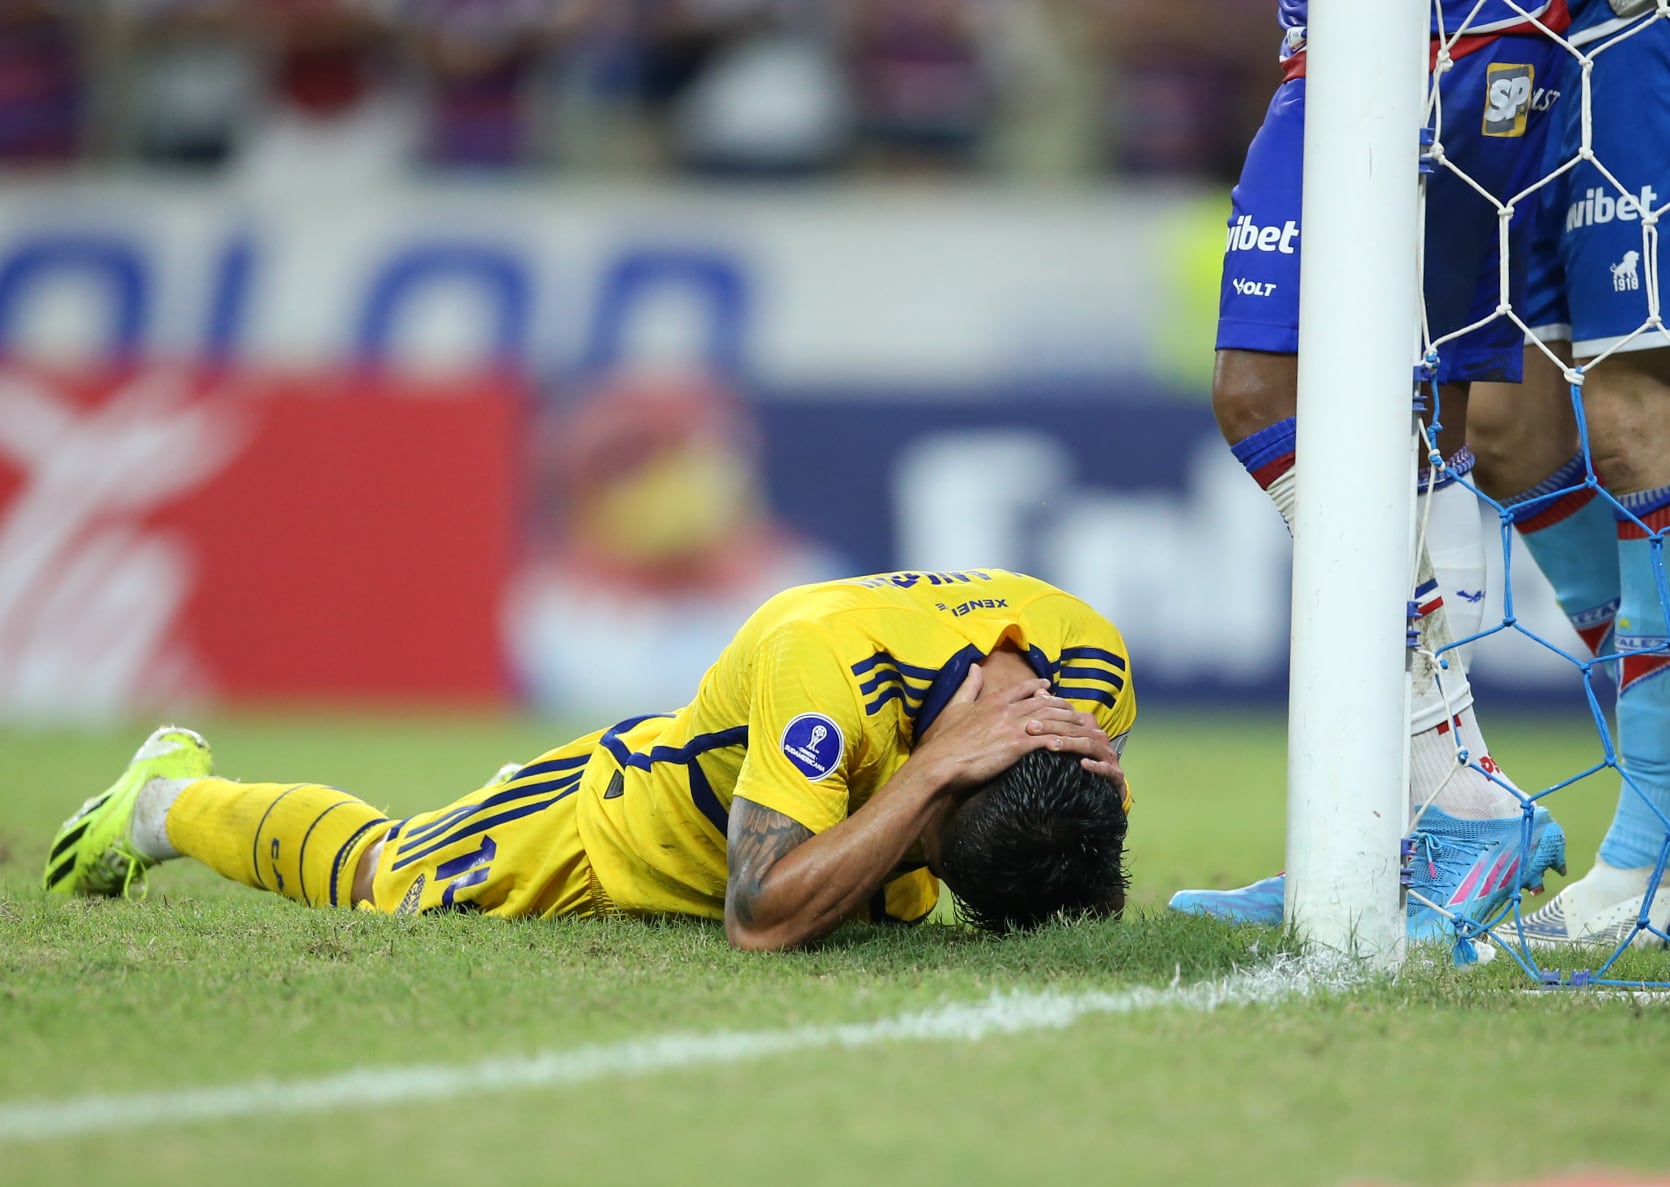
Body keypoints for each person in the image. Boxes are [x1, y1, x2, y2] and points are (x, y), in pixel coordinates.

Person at [43, 569, 1134, 951]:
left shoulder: (1084, 658)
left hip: (867, 807)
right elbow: (757, 918)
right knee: (382, 870)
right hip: (609, 833)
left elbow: (1055, 827)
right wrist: (927, 777)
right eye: (934, 849)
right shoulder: (825, 661)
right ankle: (164, 801)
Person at [1169, 0, 1574, 940]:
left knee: (1264, 396)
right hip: (1405, 53)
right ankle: (1403, 820)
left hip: (1421, 54)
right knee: (1418, 421)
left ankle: (1451, 800)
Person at [1465, 3, 1670, 948]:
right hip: (1518, 46)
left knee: (1635, 406)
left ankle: (1652, 843)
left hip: (1633, 28)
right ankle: (1651, 789)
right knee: (1502, 418)